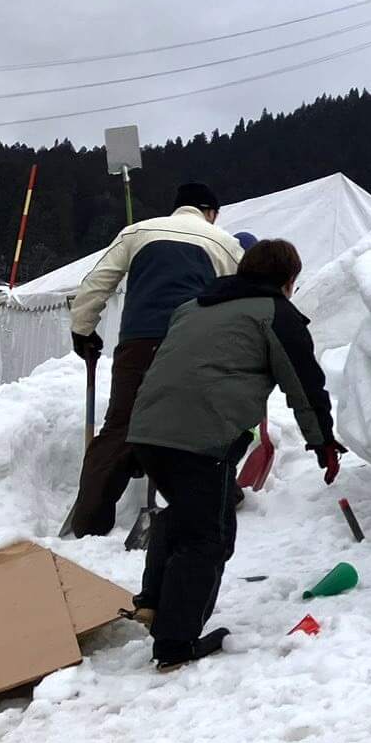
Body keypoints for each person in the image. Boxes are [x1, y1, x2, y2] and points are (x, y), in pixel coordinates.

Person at [125, 238, 346, 670]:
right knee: (209, 537)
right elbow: (304, 382)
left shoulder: (193, 306)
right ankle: (175, 643)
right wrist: (322, 441)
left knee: (184, 516)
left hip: (148, 431)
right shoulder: (275, 313)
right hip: (201, 437)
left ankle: (152, 602)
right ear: (289, 280)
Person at [62, 181, 246, 537]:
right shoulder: (226, 243)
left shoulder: (138, 231)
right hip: (195, 346)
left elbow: (96, 283)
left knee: (121, 428)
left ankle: (87, 524)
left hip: (140, 344)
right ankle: (216, 499)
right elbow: (243, 302)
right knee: (199, 428)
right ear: (211, 212)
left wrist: (83, 330)